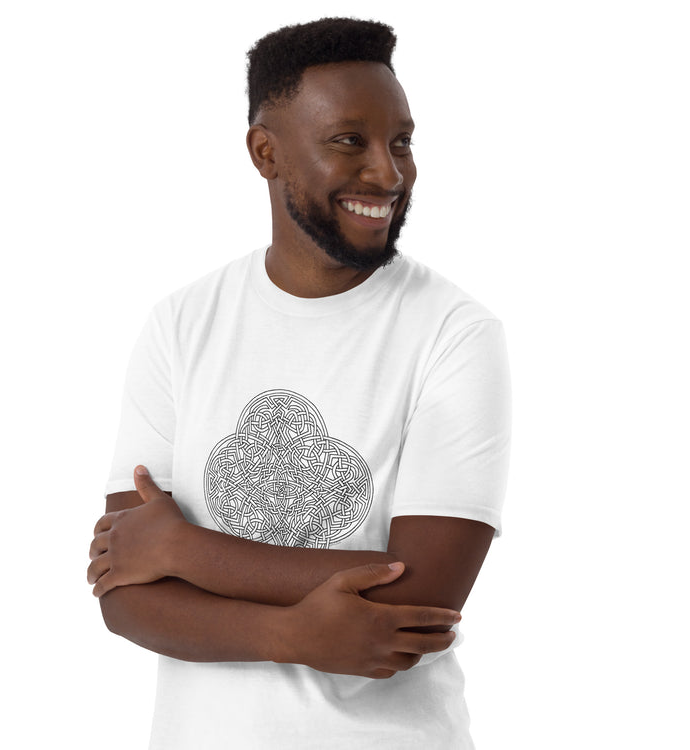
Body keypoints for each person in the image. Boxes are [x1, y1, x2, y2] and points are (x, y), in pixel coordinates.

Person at [87, 17, 512, 749]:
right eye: (350, 141)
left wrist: (184, 551)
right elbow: (125, 590)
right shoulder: (181, 325)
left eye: (402, 142)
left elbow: (422, 598)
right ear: (266, 153)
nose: (388, 173)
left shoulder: (455, 332)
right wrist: (290, 634)